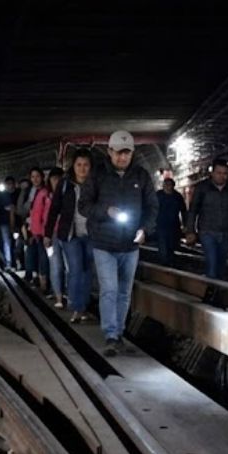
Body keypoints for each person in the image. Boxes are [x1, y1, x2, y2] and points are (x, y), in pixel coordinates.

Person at [79, 130, 157, 351]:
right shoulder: (98, 175)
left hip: (130, 244)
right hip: (104, 243)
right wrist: (107, 211)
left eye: (127, 153)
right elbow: (83, 205)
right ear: (110, 151)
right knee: (110, 289)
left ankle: (119, 331)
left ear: (132, 153)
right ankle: (111, 334)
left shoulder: (141, 176)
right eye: (118, 153)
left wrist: (145, 229)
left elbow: (152, 206)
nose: (122, 157)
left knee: (124, 291)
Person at [48, 149, 94, 323]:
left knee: (88, 271)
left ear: (91, 167)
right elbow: (54, 209)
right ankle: (76, 308)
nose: (82, 169)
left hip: (91, 234)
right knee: (76, 269)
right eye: (79, 165)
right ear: (73, 166)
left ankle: (83, 307)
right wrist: (47, 233)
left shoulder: (96, 184)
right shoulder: (65, 184)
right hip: (70, 234)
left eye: (86, 165)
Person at [185, 158, 228, 280]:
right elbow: (193, 210)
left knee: (221, 264)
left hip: (225, 232)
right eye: (219, 173)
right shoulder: (202, 188)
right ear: (212, 173)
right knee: (212, 263)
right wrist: (190, 231)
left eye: (225, 173)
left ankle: (218, 290)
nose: (222, 176)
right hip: (207, 231)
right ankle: (211, 294)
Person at [42, 167, 66, 306]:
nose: (57, 182)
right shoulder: (45, 196)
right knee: (55, 265)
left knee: (69, 266)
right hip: (51, 234)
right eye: (54, 179)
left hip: (67, 233)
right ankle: (58, 297)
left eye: (59, 179)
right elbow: (38, 215)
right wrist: (44, 235)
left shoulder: (68, 194)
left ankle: (67, 294)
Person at [155, 178, 187, 267]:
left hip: (174, 225)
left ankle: (169, 261)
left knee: (172, 245)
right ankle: (164, 263)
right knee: (163, 245)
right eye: (166, 185)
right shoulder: (158, 196)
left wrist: (185, 224)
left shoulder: (177, 196)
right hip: (161, 225)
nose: (168, 187)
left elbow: (183, 211)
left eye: (170, 185)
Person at [0, 176, 17, 268]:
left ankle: (15, 261)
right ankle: (9, 263)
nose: (10, 186)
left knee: (16, 243)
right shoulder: (0, 195)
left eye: (11, 184)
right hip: (4, 222)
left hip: (17, 222)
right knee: (7, 242)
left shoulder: (18, 193)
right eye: (8, 184)